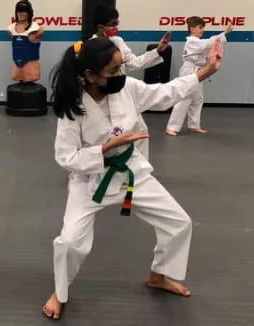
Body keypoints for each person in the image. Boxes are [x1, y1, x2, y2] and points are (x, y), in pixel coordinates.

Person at [42, 37, 223, 320]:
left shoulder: (127, 88)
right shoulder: (73, 107)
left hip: (130, 172)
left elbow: (164, 94)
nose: (119, 75)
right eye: (112, 71)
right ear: (90, 75)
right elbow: (66, 158)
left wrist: (205, 72)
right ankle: (60, 292)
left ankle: (159, 275)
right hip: (91, 181)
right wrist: (105, 148)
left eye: (120, 67)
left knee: (179, 223)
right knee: (68, 242)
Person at [88, 5, 172, 159]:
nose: (116, 28)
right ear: (101, 27)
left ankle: (140, 170)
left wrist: (158, 51)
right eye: (112, 24)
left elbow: (135, 63)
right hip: (102, 95)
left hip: (123, 92)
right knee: (105, 134)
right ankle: (93, 166)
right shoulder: (90, 46)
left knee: (140, 131)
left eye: (116, 23)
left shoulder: (118, 41)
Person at [165, 17, 233, 136]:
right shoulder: (191, 41)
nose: (203, 30)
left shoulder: (197, 41)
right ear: (192, 28)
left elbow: (209, 46)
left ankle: (194, 125)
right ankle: (172, 127)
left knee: (198, 98)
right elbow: (206, 44)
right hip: (189, 71)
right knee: (185, 98)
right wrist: (224, 33)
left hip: (198, 70)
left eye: (203, 27)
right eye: (200, 27)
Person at [7, 0, 44, 82]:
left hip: (31, 68)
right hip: (16, 67)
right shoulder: (11, 29)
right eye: (19, 11)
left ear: (29, 13)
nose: (21, 14)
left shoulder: (37, 29)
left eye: (24, 11)